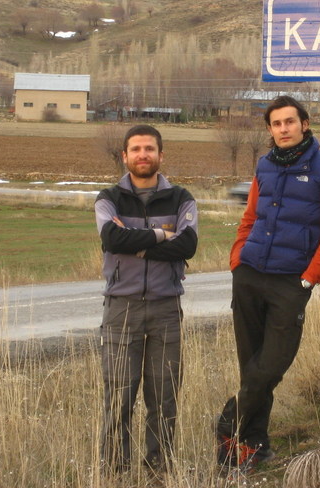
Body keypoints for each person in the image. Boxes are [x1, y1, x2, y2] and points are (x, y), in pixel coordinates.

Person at [216, 95, 320, 472]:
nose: (283, 129)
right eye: (276, 124)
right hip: (250, 274)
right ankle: (253, 447)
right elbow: (251, 215)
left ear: (304, 124)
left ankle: (227, 423)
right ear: (270, 129)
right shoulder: (264, 165)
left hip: (291, 281)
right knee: (251, 365)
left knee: (269, 366)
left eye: (290, 122)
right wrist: (237, 259)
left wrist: (309, 279)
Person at [94, 124, 198, 475]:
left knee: (163, 399)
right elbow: (111, 239)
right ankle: (114, 471)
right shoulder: (108, 198)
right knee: (118, 399)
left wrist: (134, 241)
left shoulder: (181, 198)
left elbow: (188, 246)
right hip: (121, 309)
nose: (143, 155)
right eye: (135, 149)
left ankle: (159, 471)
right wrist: (159, 235)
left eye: (149, 149)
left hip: (166, 309)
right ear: (124, 156)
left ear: (160, 155)